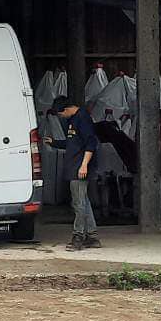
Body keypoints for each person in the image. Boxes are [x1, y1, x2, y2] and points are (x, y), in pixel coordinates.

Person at [56, 97, 101, 249]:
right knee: (84, 201)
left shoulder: (82, 118)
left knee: (78, 203)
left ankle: (78, 236)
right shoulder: (74, 120)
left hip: (79, 168)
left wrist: (84, 165)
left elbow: (91, 143)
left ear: (66, 110)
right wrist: (53, 142)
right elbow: (72, 143)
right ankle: (92, 236)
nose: (61, 117)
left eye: (60, 114)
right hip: (74, 166)